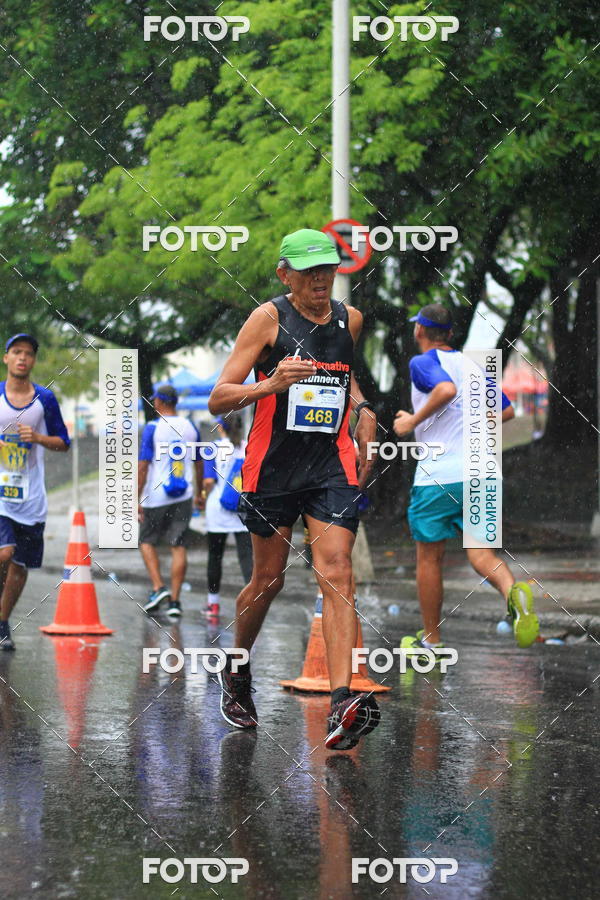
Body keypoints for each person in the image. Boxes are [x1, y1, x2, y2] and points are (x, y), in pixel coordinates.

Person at [209, 228, 379, 750]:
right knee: (269, 579)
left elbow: (345, 381)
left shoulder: (350, 320)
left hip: (329, 465)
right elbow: (219, 398)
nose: (321, 279)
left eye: (327, 269)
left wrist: (363, 410)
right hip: (273, 468)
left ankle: (342, 701)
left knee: (338, 570)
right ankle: (237, 668)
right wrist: (270, 384)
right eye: (308, 272)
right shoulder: (268, 319)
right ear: (286, 274)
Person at [393, 303, 539, 656]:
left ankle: (432, 641)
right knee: (482, 555)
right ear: (451, 334)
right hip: (483, 474)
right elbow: (506, 410)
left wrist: (412, 422)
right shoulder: (472, 368)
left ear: (420, 331)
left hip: (438, 477)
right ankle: (512, 595)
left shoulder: (423, 362)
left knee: (429, 559)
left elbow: (444, 391)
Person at [0, 334, 70, 651]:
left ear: (34, 361)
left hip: (30, 497)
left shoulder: (45, 399)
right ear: (6, 358)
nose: (22, 358)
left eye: (28, 354)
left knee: (20, 565)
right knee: (4, 552)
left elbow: (63, 442)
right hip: (0, 495)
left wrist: (38, 438)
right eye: (16, 352)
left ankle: (3, 622)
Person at [138, 384, 203, 617]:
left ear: (159, 402)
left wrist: (136, 497)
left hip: (156, 496)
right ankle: (175, 602)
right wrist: (199, 494)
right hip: (183, 495)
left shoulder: (153, 427)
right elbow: (198, 463)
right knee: (178, 546)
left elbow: (143, 465)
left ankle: (158, 587)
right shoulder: (191, 427)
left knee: (146, 541)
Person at [203, 414, 253, 618]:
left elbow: (208, 481)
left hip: (217, 510)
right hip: (242, 510)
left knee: (215, 557)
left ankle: (213, 605)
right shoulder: (248, 446)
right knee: (247, 558)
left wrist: (203, 495)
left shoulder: (212, 448)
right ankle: (251, 604)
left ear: (220, 426)